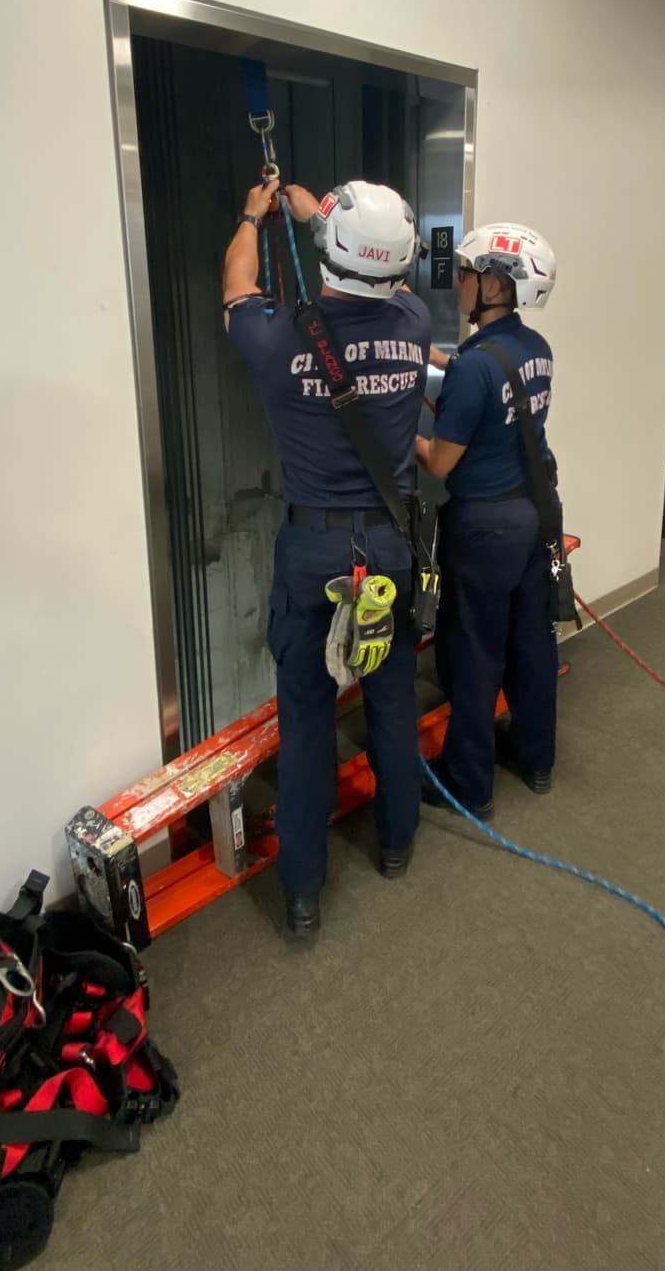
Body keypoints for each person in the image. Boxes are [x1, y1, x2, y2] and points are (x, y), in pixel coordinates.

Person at [224, 176, 431, 940]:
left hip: (313, 550)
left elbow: (236, 286)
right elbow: (382, 273)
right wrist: (325, 218)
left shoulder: (278, 336)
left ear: (334, 251)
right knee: (391, 698)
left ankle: (303, 894)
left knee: (308, 720)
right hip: (388, 544)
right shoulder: (415, 321)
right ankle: (397, 842)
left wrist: (256, 213)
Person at [416, 223, 558, 818]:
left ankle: (468, 783)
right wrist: (429, 356)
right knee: (530, 643)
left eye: (468, 274)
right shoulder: (536, 349)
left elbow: (440, 463)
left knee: (474, 655)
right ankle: (536, 758)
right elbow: (489, 376)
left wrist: (391, 428)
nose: (460, 284)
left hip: (483, 530)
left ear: (496, 284)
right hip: (533, 518)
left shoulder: (475, 369)